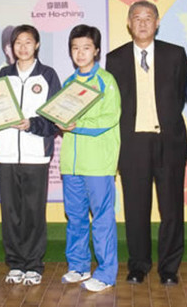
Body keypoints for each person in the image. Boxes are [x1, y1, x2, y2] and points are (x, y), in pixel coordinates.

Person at [106, 0, 187, 285]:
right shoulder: (114, 59)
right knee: (136, 209)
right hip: (132, 145)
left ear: (157, 23)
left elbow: (180, 97)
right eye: (137, 18)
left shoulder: (175, 55)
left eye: (148, 17)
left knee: (172, 209)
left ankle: (169, 268)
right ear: (129, 23)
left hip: (169, 143)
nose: (142, 22)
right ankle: (138, 266)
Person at [0, 24, 61, 285]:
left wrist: (31, 124)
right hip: (7, 154)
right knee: (11, 211)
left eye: (27, 42)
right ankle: (15, 263)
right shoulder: (3, 75)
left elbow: (55, 118)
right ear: (11, 47)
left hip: (36, 155)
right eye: (17, 43)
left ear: (37, 45)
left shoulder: (47, 75)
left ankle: (34, 264)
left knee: (33, 211)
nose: (22, 47)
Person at [59, 24, 121, 292]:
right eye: (75, 48)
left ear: (96, 50)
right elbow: (60, 115)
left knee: (103, 218)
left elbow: (110, 117)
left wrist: (77, 123)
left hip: (97, 162)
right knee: (75, 217)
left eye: (86, 48)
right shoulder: (68, 83)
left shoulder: (105, 81)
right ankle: (79, 266)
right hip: (70, 163)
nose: (80, 53)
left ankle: (106, 273)